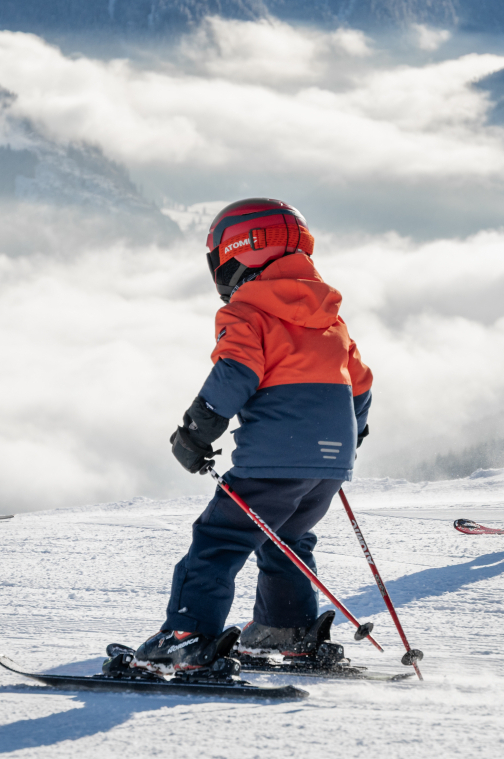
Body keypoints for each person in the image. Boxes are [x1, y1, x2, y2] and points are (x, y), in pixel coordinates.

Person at [135, 198, 374, 673]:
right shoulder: (329, 315)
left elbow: (236, 372)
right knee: (285, 537)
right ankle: (283, 629)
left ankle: (187, 637)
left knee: (218, 539)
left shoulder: (249, 311)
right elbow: (361, 383)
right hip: (329, 467)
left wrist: (196, 431)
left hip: (273, 461)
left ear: (239, 252)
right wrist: (350, 434)